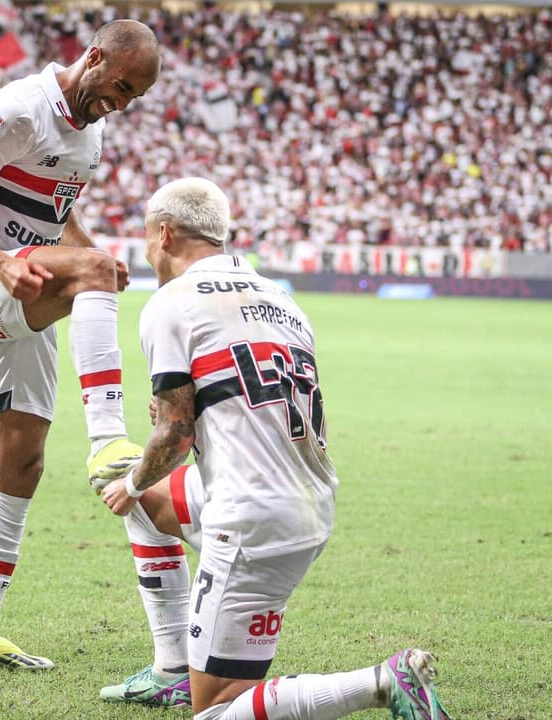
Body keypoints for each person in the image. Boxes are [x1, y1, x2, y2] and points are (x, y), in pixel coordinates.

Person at [95, 177, 450, 720]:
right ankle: (172, 671)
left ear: (163, 233)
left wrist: (133, 481)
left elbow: (175, 434)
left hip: (251, 518)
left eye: (146, 239)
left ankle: (382, 681)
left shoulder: (171, 302)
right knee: (149, 506)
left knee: (215, 709)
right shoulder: (280, 299)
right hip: (305, 497)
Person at [0, 20, 160, 669]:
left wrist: (83, 252)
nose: (121, 104)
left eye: (134, 97)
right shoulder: (16, 110)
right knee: (97, 270)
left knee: (19, 463)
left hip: (20, 280)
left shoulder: (92, 131)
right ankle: (109, 439)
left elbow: (55, 215)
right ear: (93, 58)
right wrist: (3, 263)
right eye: (119, 87)